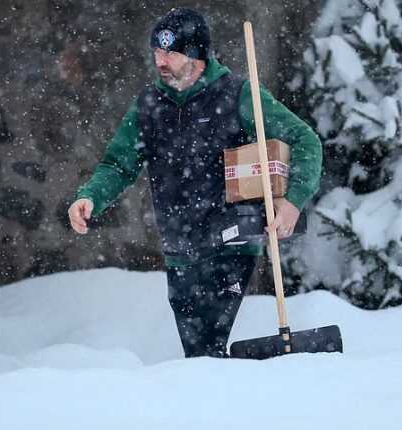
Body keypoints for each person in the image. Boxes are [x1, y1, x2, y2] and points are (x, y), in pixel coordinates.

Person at [67, 8, 322, 358]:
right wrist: (91, 197)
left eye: (171, 52)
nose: (161, 60)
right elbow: (118, 164)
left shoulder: (237, 94)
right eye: (157, 51)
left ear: (197, 55)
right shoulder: (148, 106)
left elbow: (305, 139)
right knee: (198, 355)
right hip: (180, 251)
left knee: (208, 350)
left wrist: (293, 200)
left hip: (231, 244)